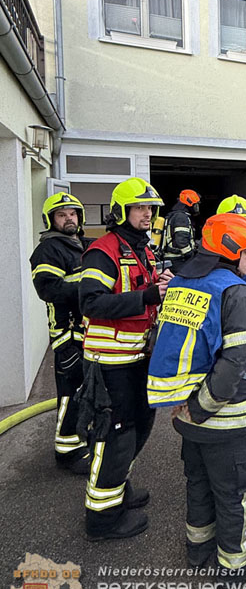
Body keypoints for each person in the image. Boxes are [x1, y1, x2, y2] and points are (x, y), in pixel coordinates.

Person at [147, 213, 246, 577]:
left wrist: (184, 409)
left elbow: (166, 343)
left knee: (199, 485)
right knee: (236, 495)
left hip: (186, 417)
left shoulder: (184, 281)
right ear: (231, 251)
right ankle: (237, 567)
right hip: (228, 420)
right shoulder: (237, 293)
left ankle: (197, 551)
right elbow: (233, 364)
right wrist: (201, 408)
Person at [78, 177, 172, 541]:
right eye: (139, 208)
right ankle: (101, 520)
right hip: (110, 361)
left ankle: (118, 489)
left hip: (138, 357)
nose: (147, 214)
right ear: (120, 212)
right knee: (114, 436)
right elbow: (91, 302)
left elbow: (141, 287)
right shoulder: (103, 251)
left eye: (150, 208)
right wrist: (148, 296)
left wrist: (158, 282)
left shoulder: (142, 249)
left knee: (139, 426)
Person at [30, 193, 93, 474]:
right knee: (70, 393)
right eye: (61, 215)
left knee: (85, 391)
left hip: (86, 332)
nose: (69, 218)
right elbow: (48, 290)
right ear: (51, 220)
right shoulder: (49, 250)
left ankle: (80, 438)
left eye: (72, 213)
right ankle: (66, 451)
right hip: (67, 335)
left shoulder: (80, 245)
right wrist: (89, 284)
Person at [162, 189, 201, 272]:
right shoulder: (181, 217)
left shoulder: (176, 215)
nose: (197, 208)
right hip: (178, 260)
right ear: (190, 203)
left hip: (173, 259)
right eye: (196, 205)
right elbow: (181, 240)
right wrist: (190, 254)